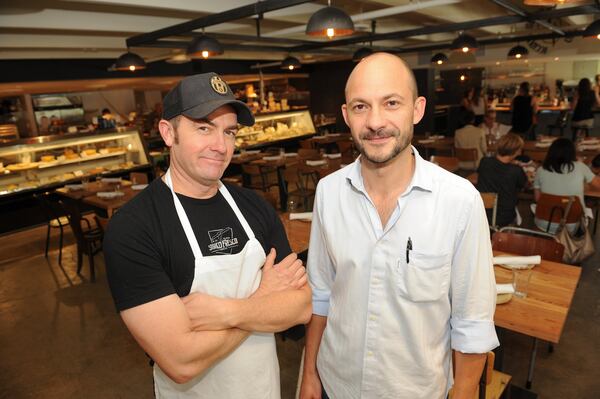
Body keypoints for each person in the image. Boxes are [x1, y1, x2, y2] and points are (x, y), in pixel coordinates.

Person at [299, 53, 498, 399]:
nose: (376, 122)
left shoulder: (459, 201)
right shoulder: (328, 192)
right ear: (346, 116)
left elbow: (472, 323)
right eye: (361, 107)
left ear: (417, 110)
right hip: (336, 384)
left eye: (391, 103)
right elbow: (321, 294)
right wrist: (310, 375)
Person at [103, 72, 311, 398]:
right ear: (168, 133)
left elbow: (301, 308)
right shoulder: (133, 228)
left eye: (229, 131)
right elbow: (181, 361)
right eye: (204, 127)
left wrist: (227, 312)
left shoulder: (254, 206)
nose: (220, 145)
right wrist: (263, 302)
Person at [533, 138, 600, 234]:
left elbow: (537, 198)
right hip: (571, 224)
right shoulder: (580, 167)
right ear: (572, 153)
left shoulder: (541, 169)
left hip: (543, 222)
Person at [476, 133, 528, 227]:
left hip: (481, 212)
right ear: (515, 151)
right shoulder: (516, 170)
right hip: (504, 216)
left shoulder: (484, 162)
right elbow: (524, 185)